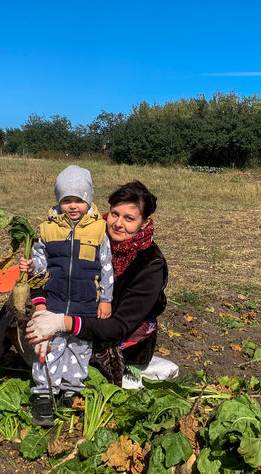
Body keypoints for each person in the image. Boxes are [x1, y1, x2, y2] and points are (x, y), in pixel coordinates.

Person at [26, 180, 168, 388]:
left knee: (72, 360)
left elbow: (118, 326)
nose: (118, 223)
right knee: (18, 313)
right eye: (114, 214)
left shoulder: (151, 265)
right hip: (75, 311)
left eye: (129, 218)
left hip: (114, 335)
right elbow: (51, 270)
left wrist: (59, 323)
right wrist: (41, 311)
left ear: (144, 223)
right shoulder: (90, 233)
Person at [18, 165, 113, 426]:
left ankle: (71, 392)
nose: (73, 206)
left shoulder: (99, 230)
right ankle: (44, 394)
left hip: (86, 303)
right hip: (55, 300)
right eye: (67, 200)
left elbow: (106, 267)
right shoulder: (48, 229)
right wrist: (32, 266)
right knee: (50, 347)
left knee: (80, 349)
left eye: (79, 200)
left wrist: (106, 299)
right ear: (59, 202)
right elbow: (41, 261)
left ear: (89, 200)